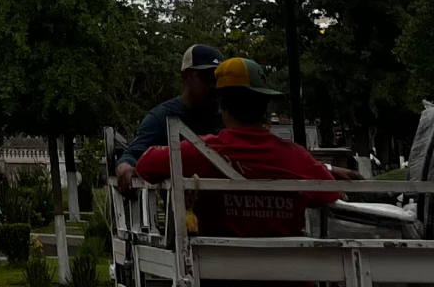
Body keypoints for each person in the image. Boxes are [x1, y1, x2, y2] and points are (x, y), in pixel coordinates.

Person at [132, 58, 342, 239]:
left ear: (222, 104)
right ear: (265, 107)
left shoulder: (202, 151)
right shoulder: (295, 157)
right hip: (288, 269)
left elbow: (145, 165)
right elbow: (330, 193)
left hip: (216, 266)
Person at [122, 46, 226, 166]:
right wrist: (126, 166)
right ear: (186, 76)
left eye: (218, 79)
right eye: (207, 77)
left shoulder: (229, 117)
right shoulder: (162, 118)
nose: (214, 86)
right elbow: (133, 155)